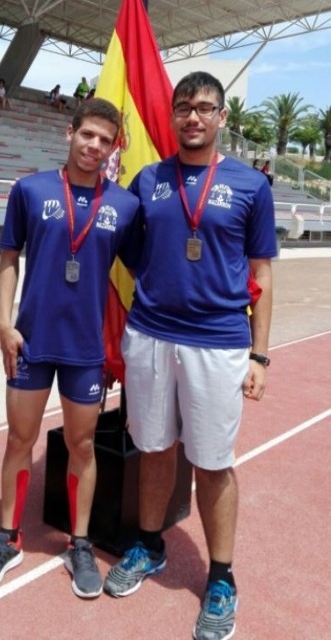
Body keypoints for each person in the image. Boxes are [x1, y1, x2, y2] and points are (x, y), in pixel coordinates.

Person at [103, 72, 276, 640]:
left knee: (212, 462)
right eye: (184, 108)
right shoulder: (148, 179)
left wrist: (260, 356)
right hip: (150, 335)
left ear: (222, 118)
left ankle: (221, 578)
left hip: (219, 342)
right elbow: (115, 241)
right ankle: (149, 546)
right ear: (173, 116)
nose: (193, 117)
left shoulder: (251, 185)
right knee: (153, 450)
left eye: (205, 108)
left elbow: (262, 277)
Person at [0, 98, 141, 599]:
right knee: (18, 440)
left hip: (86, 349)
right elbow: (8, 259)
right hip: (32, 341)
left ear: (114, 148)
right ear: (70, 132)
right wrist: (3, 322)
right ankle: (8, 539)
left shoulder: (124, 206)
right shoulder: (30, 189)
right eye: (88, 134)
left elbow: (141, 274)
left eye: (105, 140)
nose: (95, 146)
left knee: (83, 446)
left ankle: (79, 543)